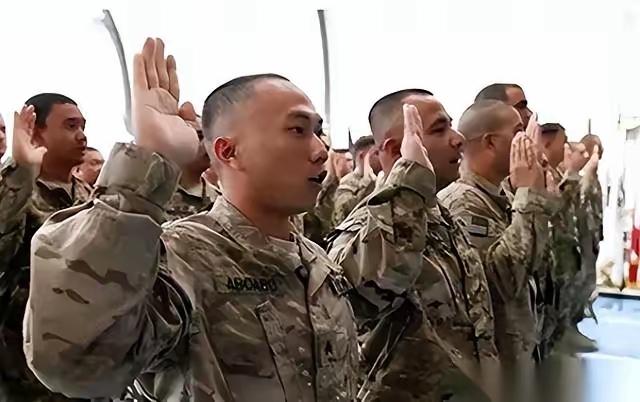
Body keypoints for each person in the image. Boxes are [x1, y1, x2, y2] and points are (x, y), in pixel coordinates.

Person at [24, 38, 358, 402]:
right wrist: (146, 164)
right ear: (228, 151)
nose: (320, 150)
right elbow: (75, 363)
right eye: (297, 130)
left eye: (318, 131)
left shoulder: (316, 262)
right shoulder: (181, 258)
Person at [328, 90, 496, 402]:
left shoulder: (440, 216)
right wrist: (409, 180)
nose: (458, 139)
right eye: (439, 129)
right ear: (395, 150)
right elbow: (356, 301)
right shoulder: (369, 225)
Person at [439, 100, 559, 364]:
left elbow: (536, 264)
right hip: (494, 361)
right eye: (518, 132)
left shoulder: (501, 194)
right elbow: (502, 281)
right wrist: (529, 196)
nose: (527, 141)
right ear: (491, 142)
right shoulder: (462, 202)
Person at [0, 93, 90, 401]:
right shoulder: (15, 189)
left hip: (87, 356)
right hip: (23, 365)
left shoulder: (92, 197)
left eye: (83, 126)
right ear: (36, 132)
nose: (82, 135)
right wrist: (21, 171)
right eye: (70, 126)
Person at [164, 102, 214, 220]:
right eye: (199, 136)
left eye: (209, 138)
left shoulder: (220, 200)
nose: (206, 145)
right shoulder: (154, 195)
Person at [331, 135, 380, 226]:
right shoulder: (347, 183)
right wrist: (368, 183)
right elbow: (344, 214)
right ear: (362, 156)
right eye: (376, 153)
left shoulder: (382, 178)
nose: (380, 157)